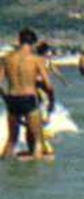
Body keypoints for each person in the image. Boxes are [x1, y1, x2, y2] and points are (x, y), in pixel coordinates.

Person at [2, 28, 54, 161]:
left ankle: (4, 169)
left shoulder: (7, 59)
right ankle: (36, 176)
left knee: (12, 139)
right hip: (29, 98)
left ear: (19, 41)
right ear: (34, 43)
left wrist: (5, 98)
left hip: (12, 98)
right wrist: (51, 102)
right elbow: (48, 85)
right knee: (37, 141)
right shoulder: (36, 60)